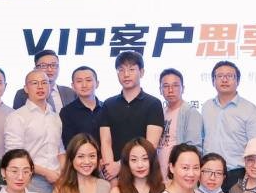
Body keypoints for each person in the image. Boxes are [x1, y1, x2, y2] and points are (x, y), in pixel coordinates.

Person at [201, 61, 256, 191]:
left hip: (237, 173)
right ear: (213, 81)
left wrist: (251, 175)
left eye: (230, 76)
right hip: (209, 173)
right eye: (220, 76)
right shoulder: (206, 107)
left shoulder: (249, 109)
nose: (224, 80)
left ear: (238, 81)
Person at [99, 51, 164, 181]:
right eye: (121, 70)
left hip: (143, 172)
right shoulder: (108, 104)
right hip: (114, 175)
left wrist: (120, 165)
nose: (126, 74)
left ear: (142, 72)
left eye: (131, 69)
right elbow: (105, 141)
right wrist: (110, 170)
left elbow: (150, 145)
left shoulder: (153, 104)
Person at [3, 70, 65, 193]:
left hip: (58, 180)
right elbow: (14, 155)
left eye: (44, 83)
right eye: (35, 83)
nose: (40, 87)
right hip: (31, 180)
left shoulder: (55, 117)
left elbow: (60, 149)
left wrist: (63, 173)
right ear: (26, 88)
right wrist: (46, 172)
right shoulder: (17, 117)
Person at [157, 68, 203, 178]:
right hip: (159, 176)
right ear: (160, 90)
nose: (170, 90)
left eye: (175, 85)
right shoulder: (160, 112)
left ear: (183, 88)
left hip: (178, 176)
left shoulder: (190, 112)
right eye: (166, 86)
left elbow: (193, 149)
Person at [60, 66, 106, 147]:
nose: (84, 85)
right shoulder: (67, 112)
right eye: (79, 81)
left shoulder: (106, 108)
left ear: (97, 84)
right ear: (73, 86)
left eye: (88, 80)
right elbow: (69, 144)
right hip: (81, 154)